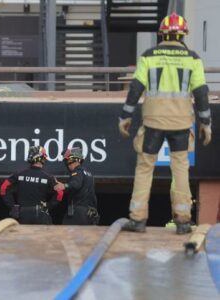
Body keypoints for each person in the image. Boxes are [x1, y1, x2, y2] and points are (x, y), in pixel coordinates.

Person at [118, 13, 212, 234]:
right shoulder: (193, 59)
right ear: (183, 34)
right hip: (181, 123)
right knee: (180, 169)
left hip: (153, 122)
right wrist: (205, 122)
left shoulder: (149, 56)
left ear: (162, 33)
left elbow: (135, 88)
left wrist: (125, 116)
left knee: (144, 168)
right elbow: (201, 93)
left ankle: (138, 219)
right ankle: (183, 221)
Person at [0, 146, 62, 225]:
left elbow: (3, 188)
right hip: (40, 213)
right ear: (42, 158)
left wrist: (12, 206)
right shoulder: (48, 177)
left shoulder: (19, 173)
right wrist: (49, 206)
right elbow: (60, 193)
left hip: (22, 213)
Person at [54, 147, 99, 225]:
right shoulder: (89, 174)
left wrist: (64, 186)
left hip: (79, 213)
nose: (67, 165)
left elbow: (75, 185)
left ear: (71, 160)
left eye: (67, 161)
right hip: (91, 214)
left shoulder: (77, 172)